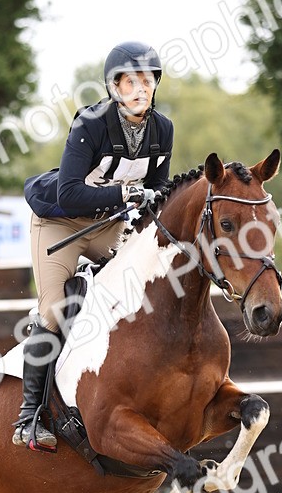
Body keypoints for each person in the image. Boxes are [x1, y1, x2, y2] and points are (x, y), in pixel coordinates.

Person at [13, 41, 174, 449]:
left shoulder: (163, 130)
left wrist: (147, 204)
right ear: (114, 87)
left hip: (106, 226)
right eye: (130, 81)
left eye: (147, 80)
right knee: (53, 310)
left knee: (137, 290)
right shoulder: (91, 124)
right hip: (58, 224)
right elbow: (69, 194)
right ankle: (28, 417)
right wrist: (124, 195)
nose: (140, 88)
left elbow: (156, 190)